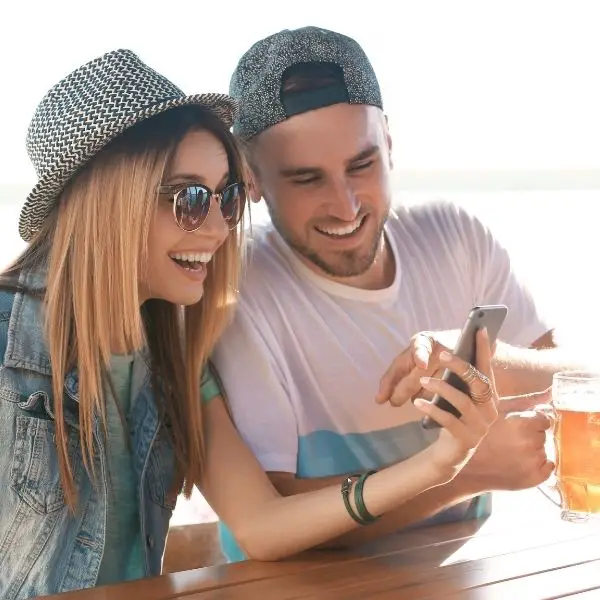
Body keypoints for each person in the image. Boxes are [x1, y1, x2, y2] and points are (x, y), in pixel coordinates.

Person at [0, 49, 499, 599]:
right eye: (190, 199)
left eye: (228, 197)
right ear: (109, 205)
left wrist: (442, 463)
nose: (217, 228)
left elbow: (261, 523)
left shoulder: (174, 352)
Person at [212, 26, 580, 562]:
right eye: (306, 179)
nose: (345, 206)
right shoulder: (237, 291)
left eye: (361, 165)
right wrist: (465, 473)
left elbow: (580, 380)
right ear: (252, 180)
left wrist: (486, 358)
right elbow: (278, 519)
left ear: (388, 140)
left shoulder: (456, 237)